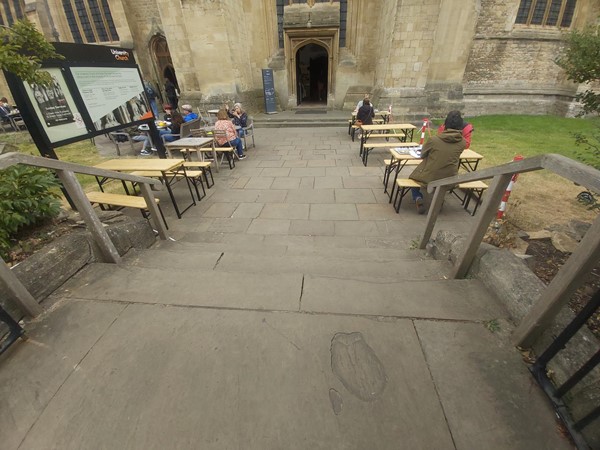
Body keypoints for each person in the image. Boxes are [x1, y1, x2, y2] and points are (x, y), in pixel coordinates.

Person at [408, 110, 467, 214]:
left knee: (413, 179)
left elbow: (422, 154)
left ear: (445, 125)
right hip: (450, 176)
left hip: (431, 175)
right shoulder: (462, 142)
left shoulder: (434, 140)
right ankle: (439, 200)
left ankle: (417, 197)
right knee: (441, 179)